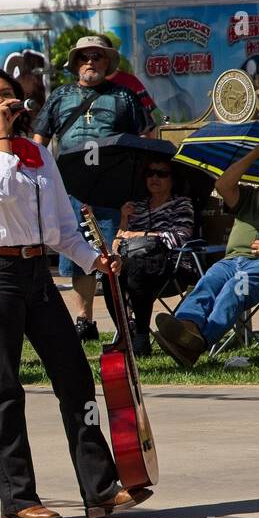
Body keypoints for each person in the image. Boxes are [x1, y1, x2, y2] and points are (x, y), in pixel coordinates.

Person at [0, 68, 151, 518]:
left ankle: (100, 489)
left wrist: (92, 261)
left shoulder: (41, 155)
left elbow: (62, 227)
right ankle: (18, 498)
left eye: (7, 93)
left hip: (34, 272)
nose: (1, 100)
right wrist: (3, 138)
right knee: (4, 386)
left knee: (75, 378)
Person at [153, 147, 259, 367]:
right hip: (231, 261)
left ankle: (199, 343)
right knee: (207, 282)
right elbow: (222, 185)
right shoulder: (250, 196)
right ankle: (187, 328)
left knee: (234, 287)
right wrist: (256, 152)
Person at [32, 35, 156, 343]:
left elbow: (147, 136)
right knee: (76, 255)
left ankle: (123, 318)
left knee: (116, 253)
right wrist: (39, 183)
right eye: (85, 57)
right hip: (70, 191)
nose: (91, 62)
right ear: (75, 63)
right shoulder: (60, 97)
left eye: (98, 56)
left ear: (107, 62)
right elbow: (39, 142)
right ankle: (84, 320)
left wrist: (137, 181)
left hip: (113, 190)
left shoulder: (125, 97)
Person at [107, 160, 195, 357]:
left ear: (173, 179)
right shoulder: (136, 207)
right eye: (150, 173)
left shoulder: (181, 203)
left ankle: (141, 337)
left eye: (162, 174)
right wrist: (123, 220)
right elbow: (118, 245)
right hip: (137, 264)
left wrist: (140, 235)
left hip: (173, 265)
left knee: (137, 268)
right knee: (108, 272)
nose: (154, 178)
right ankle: (125, 331)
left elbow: (180, 237)